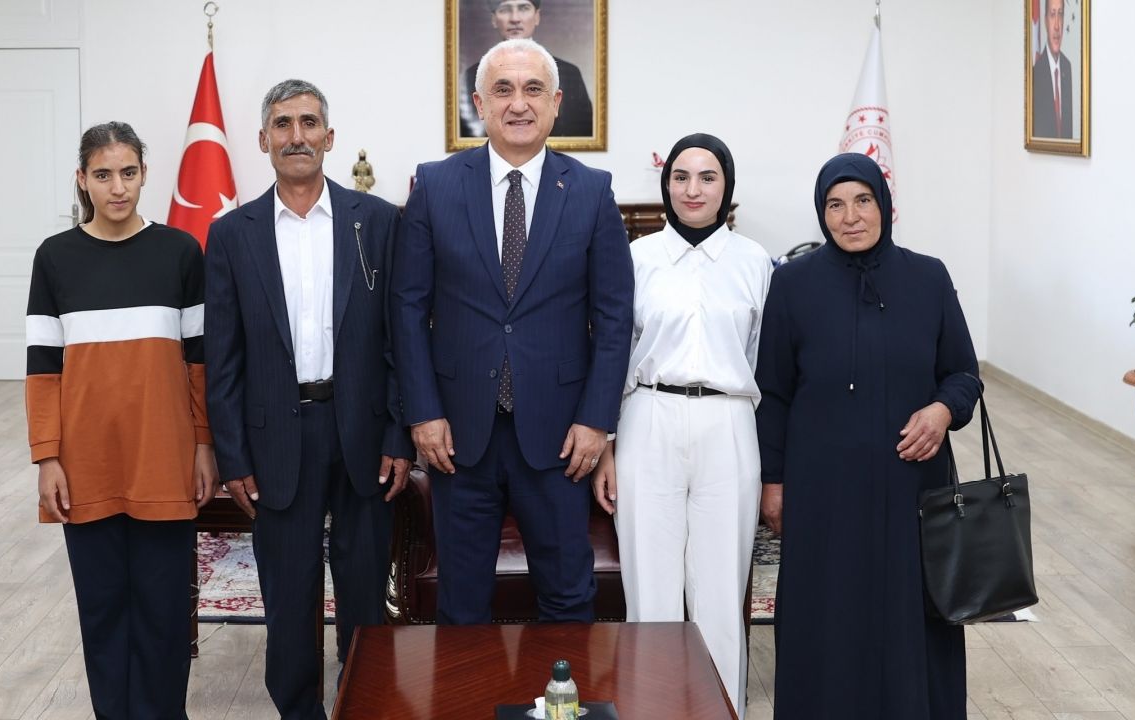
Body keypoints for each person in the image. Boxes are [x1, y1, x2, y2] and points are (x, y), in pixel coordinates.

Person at [393, 38, 633, 625]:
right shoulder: (435, 185)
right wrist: (423, 412)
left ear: (556, 103)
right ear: (479, 103)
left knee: (568, 597)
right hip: (457, 437)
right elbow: (407, 308)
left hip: (560, 438)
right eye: (502, 89)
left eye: (532, 90)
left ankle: (560, 691)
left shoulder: (592, 191)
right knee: (461, 605)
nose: (518, 103)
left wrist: (596, 421)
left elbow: (614, 316)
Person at [204, 79, 413, 719]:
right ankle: (298, 710)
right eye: (283, 123)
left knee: (364, 593)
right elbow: (223, 356)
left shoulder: (377, 222)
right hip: (275, 437)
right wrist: (234, 456)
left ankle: (364, 704)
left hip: (362, 434)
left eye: (309, 122)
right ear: (263, 139)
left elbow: (400, 340)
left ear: (330, 136)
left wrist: (398, 434)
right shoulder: (232, 234)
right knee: (289, 597)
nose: (297, 136)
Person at [755, 153, 980, 720]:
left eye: (862, 201)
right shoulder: (792, 284)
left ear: (885, 204)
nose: (850, 217)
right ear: (821, 212)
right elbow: (773, 393)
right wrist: (772, 481)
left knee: (912, 610)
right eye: (835, 205)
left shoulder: (928, 278)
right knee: (827, 609)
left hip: (913, 488)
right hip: (823, 491)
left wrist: (941, 411)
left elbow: (963, 373)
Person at [25, 121, 216, 718]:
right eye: (103, 174)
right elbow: (42, 368)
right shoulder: (54, 258)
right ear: (82, 179)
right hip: (86, 464)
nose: (117, 187)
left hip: (163, 457)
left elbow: (199, 362)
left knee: (164, 612)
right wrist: (47, 456)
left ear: (144, 175)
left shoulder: (180, 253)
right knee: (103, 610)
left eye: (128, 173)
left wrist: (204, 445)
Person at [591, 133, 770, 710]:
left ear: (727, 186)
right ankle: (651, 710)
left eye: (707, 177)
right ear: (666, 185)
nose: (693, 189)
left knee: (720, 595)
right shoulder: (636, 257)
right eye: (681, 177)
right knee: (651, 594)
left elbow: (765, 358)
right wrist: (608, 445)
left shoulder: (755, 262)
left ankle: (721, 711)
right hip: (649, 417)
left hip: (729, 422)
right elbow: (613, 350)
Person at [459, 0, 594, 138]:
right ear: (494, 19)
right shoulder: (471, 76)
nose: (515, 19)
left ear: (537, 16)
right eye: (505, 10)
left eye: (524, 8)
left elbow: (584, 132)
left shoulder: (570, 73)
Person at [1032, 0, 1073, 138]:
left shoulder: (1067, 67)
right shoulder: (1036, 73)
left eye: (1060, 14)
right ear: (1045, 22)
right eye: (1052, 14)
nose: (1057, 25)